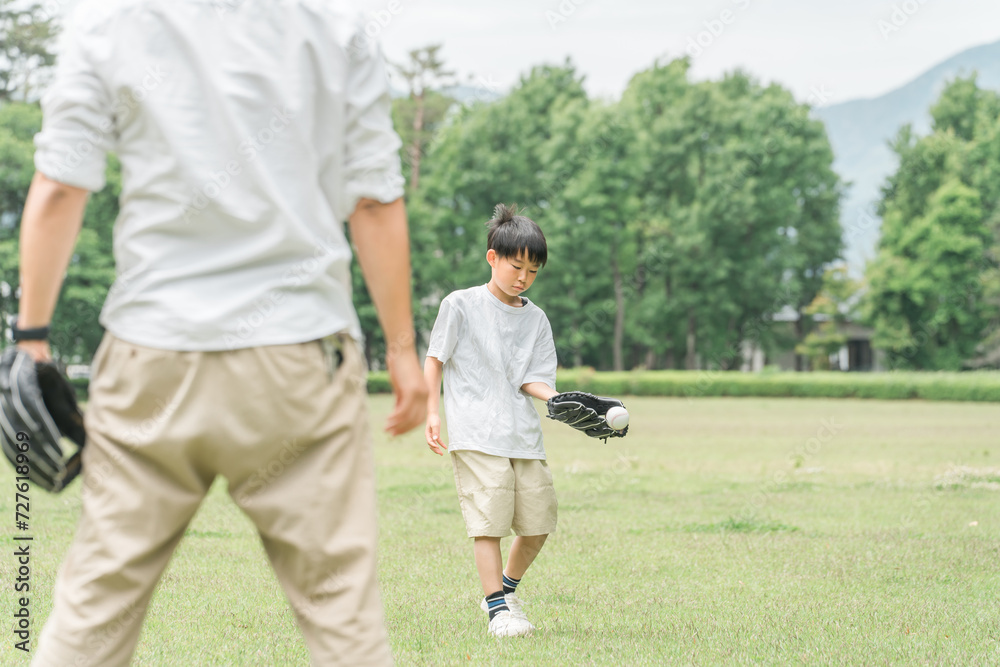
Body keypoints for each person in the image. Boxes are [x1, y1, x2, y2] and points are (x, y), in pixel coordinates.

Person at [16, 1, 426, 665]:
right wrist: (403, 354)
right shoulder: (335, 25)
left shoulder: (109, 22)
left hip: (152, 354)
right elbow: (374, 199)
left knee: (93, 613)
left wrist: (31, 337)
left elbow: (61, 187)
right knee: (343, 615)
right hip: (297, 356)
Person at [423, 203, 560, 638]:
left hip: (522, 434)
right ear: (493, 258)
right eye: (516, 265)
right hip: (476, 431)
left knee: (539, 523)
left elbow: (533, 380)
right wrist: (431, 411)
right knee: (489, 522)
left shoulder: (536, 319)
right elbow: (435, 358)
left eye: (533, 270)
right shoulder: (460, 304)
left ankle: (503, 589)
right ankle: (499, 611)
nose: (523, 277)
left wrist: (564, 402)